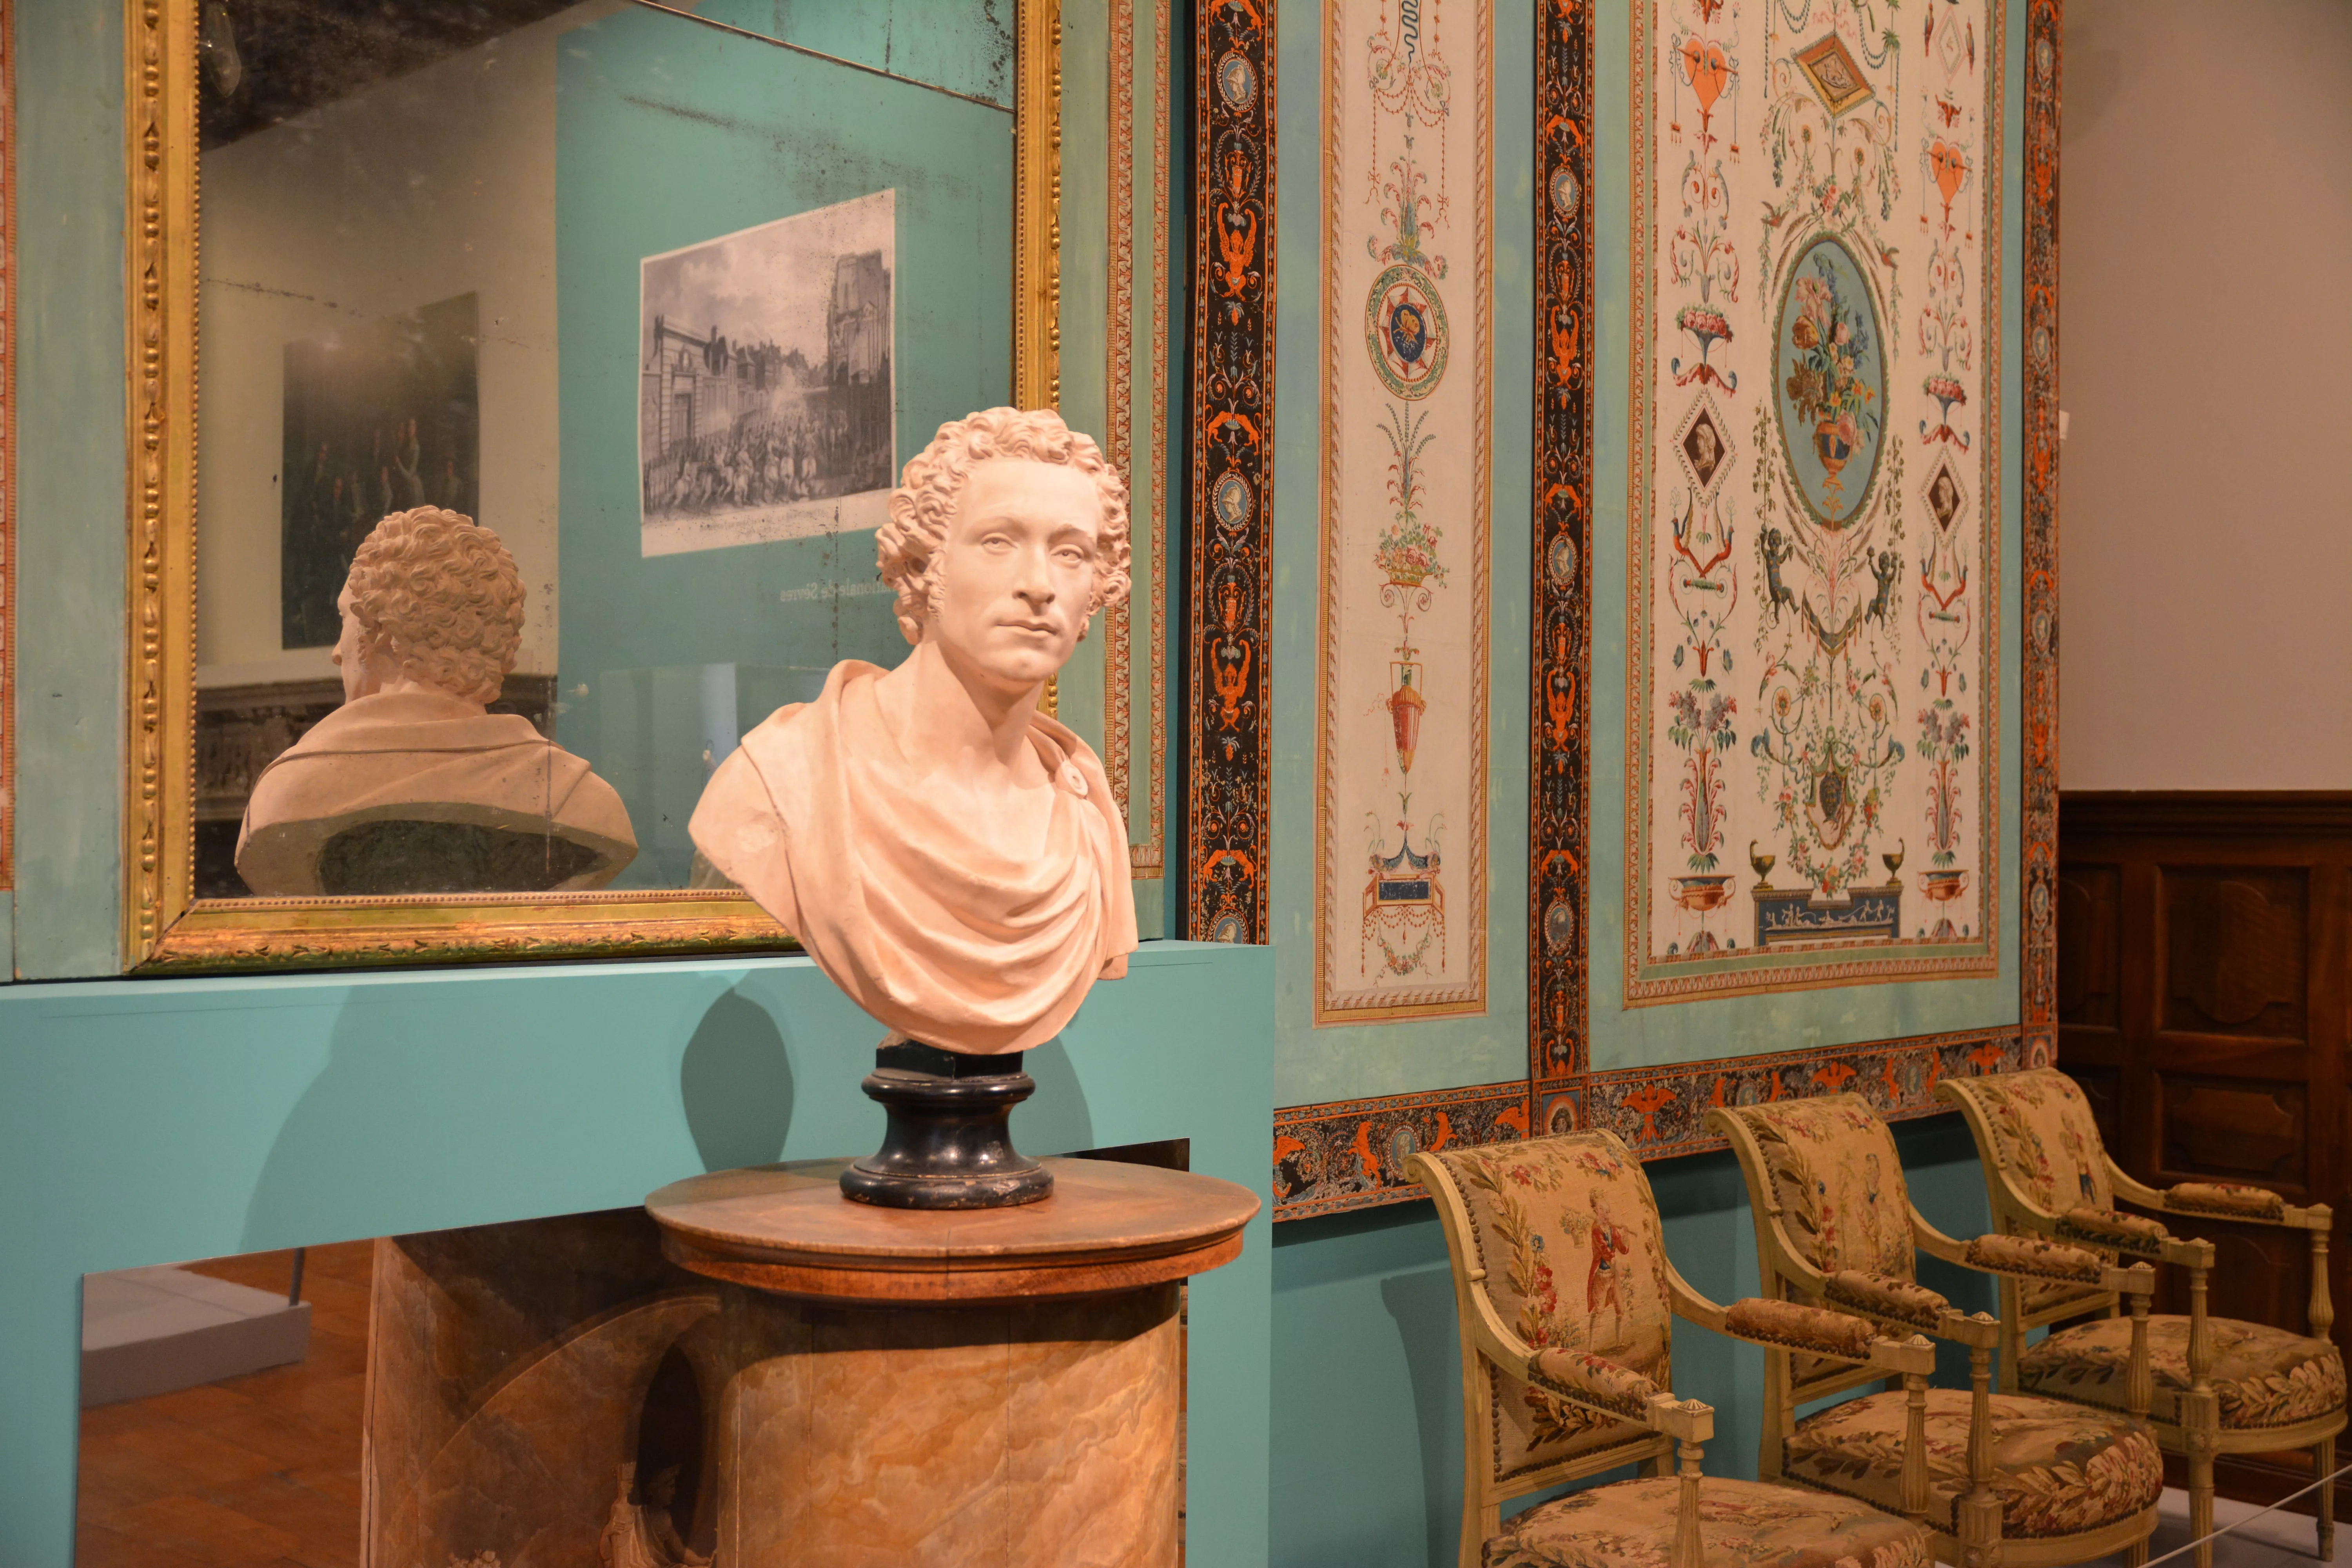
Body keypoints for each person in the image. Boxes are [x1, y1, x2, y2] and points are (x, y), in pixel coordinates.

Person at [689, 408, 1137, 1055]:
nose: (1039, 585)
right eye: (998, 542)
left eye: (1070, 554)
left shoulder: (1088, 825)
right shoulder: (787, 781)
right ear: (928, 564)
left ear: (1098, 588)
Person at [237, 508, 637, 896]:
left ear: (381, 629)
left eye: (345, 620)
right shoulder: (581, 797)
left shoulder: (291, 791)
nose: (338, 653)